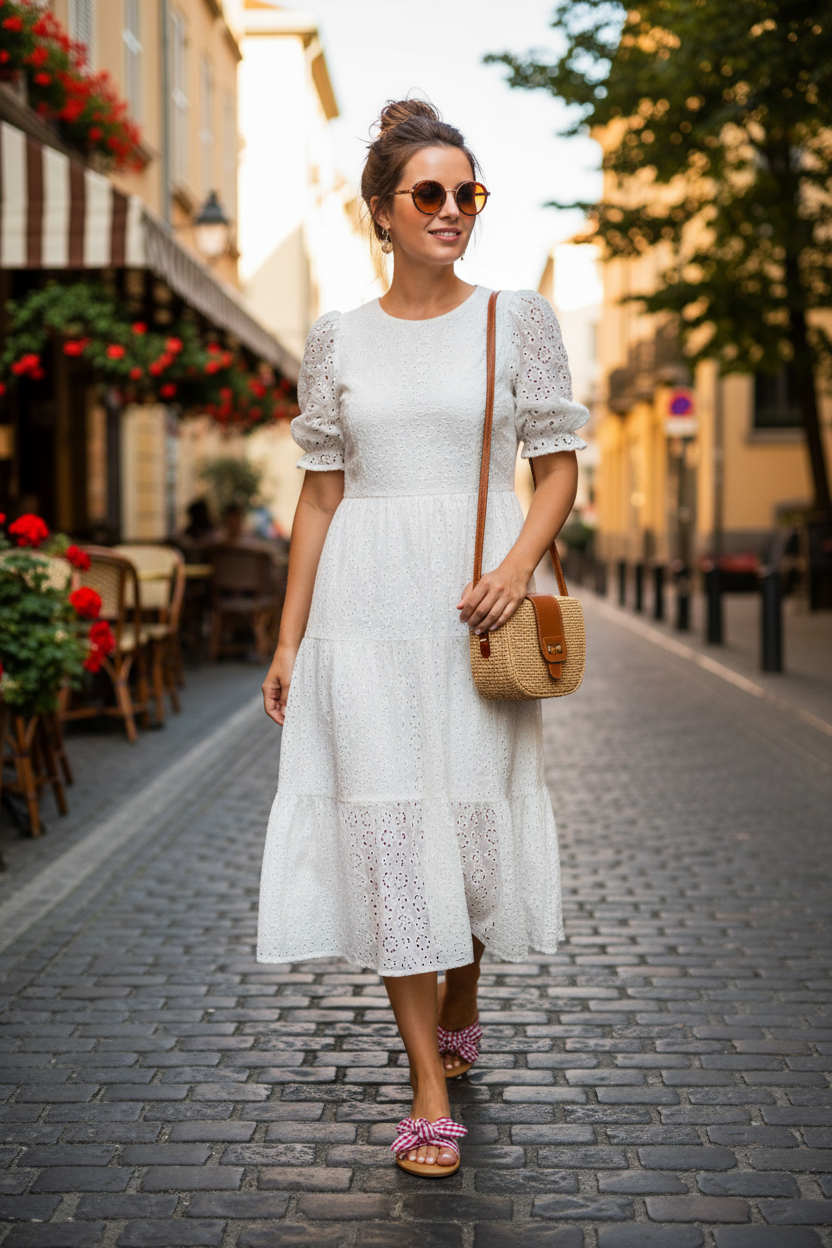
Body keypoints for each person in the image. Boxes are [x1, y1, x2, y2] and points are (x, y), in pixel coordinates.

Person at [257, 99, 588, 1178]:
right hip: (365, 609)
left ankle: (466, 981)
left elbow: (555, 469)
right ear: (382, 214)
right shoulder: (335, 337)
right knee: (395, 831)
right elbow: (317, 496)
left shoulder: (517, 316)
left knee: (471, 830)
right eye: (428, 194)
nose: (451, 211)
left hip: (473, 606)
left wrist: (510, 569)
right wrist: (288, 639)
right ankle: (426, 1084)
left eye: (466, 193)